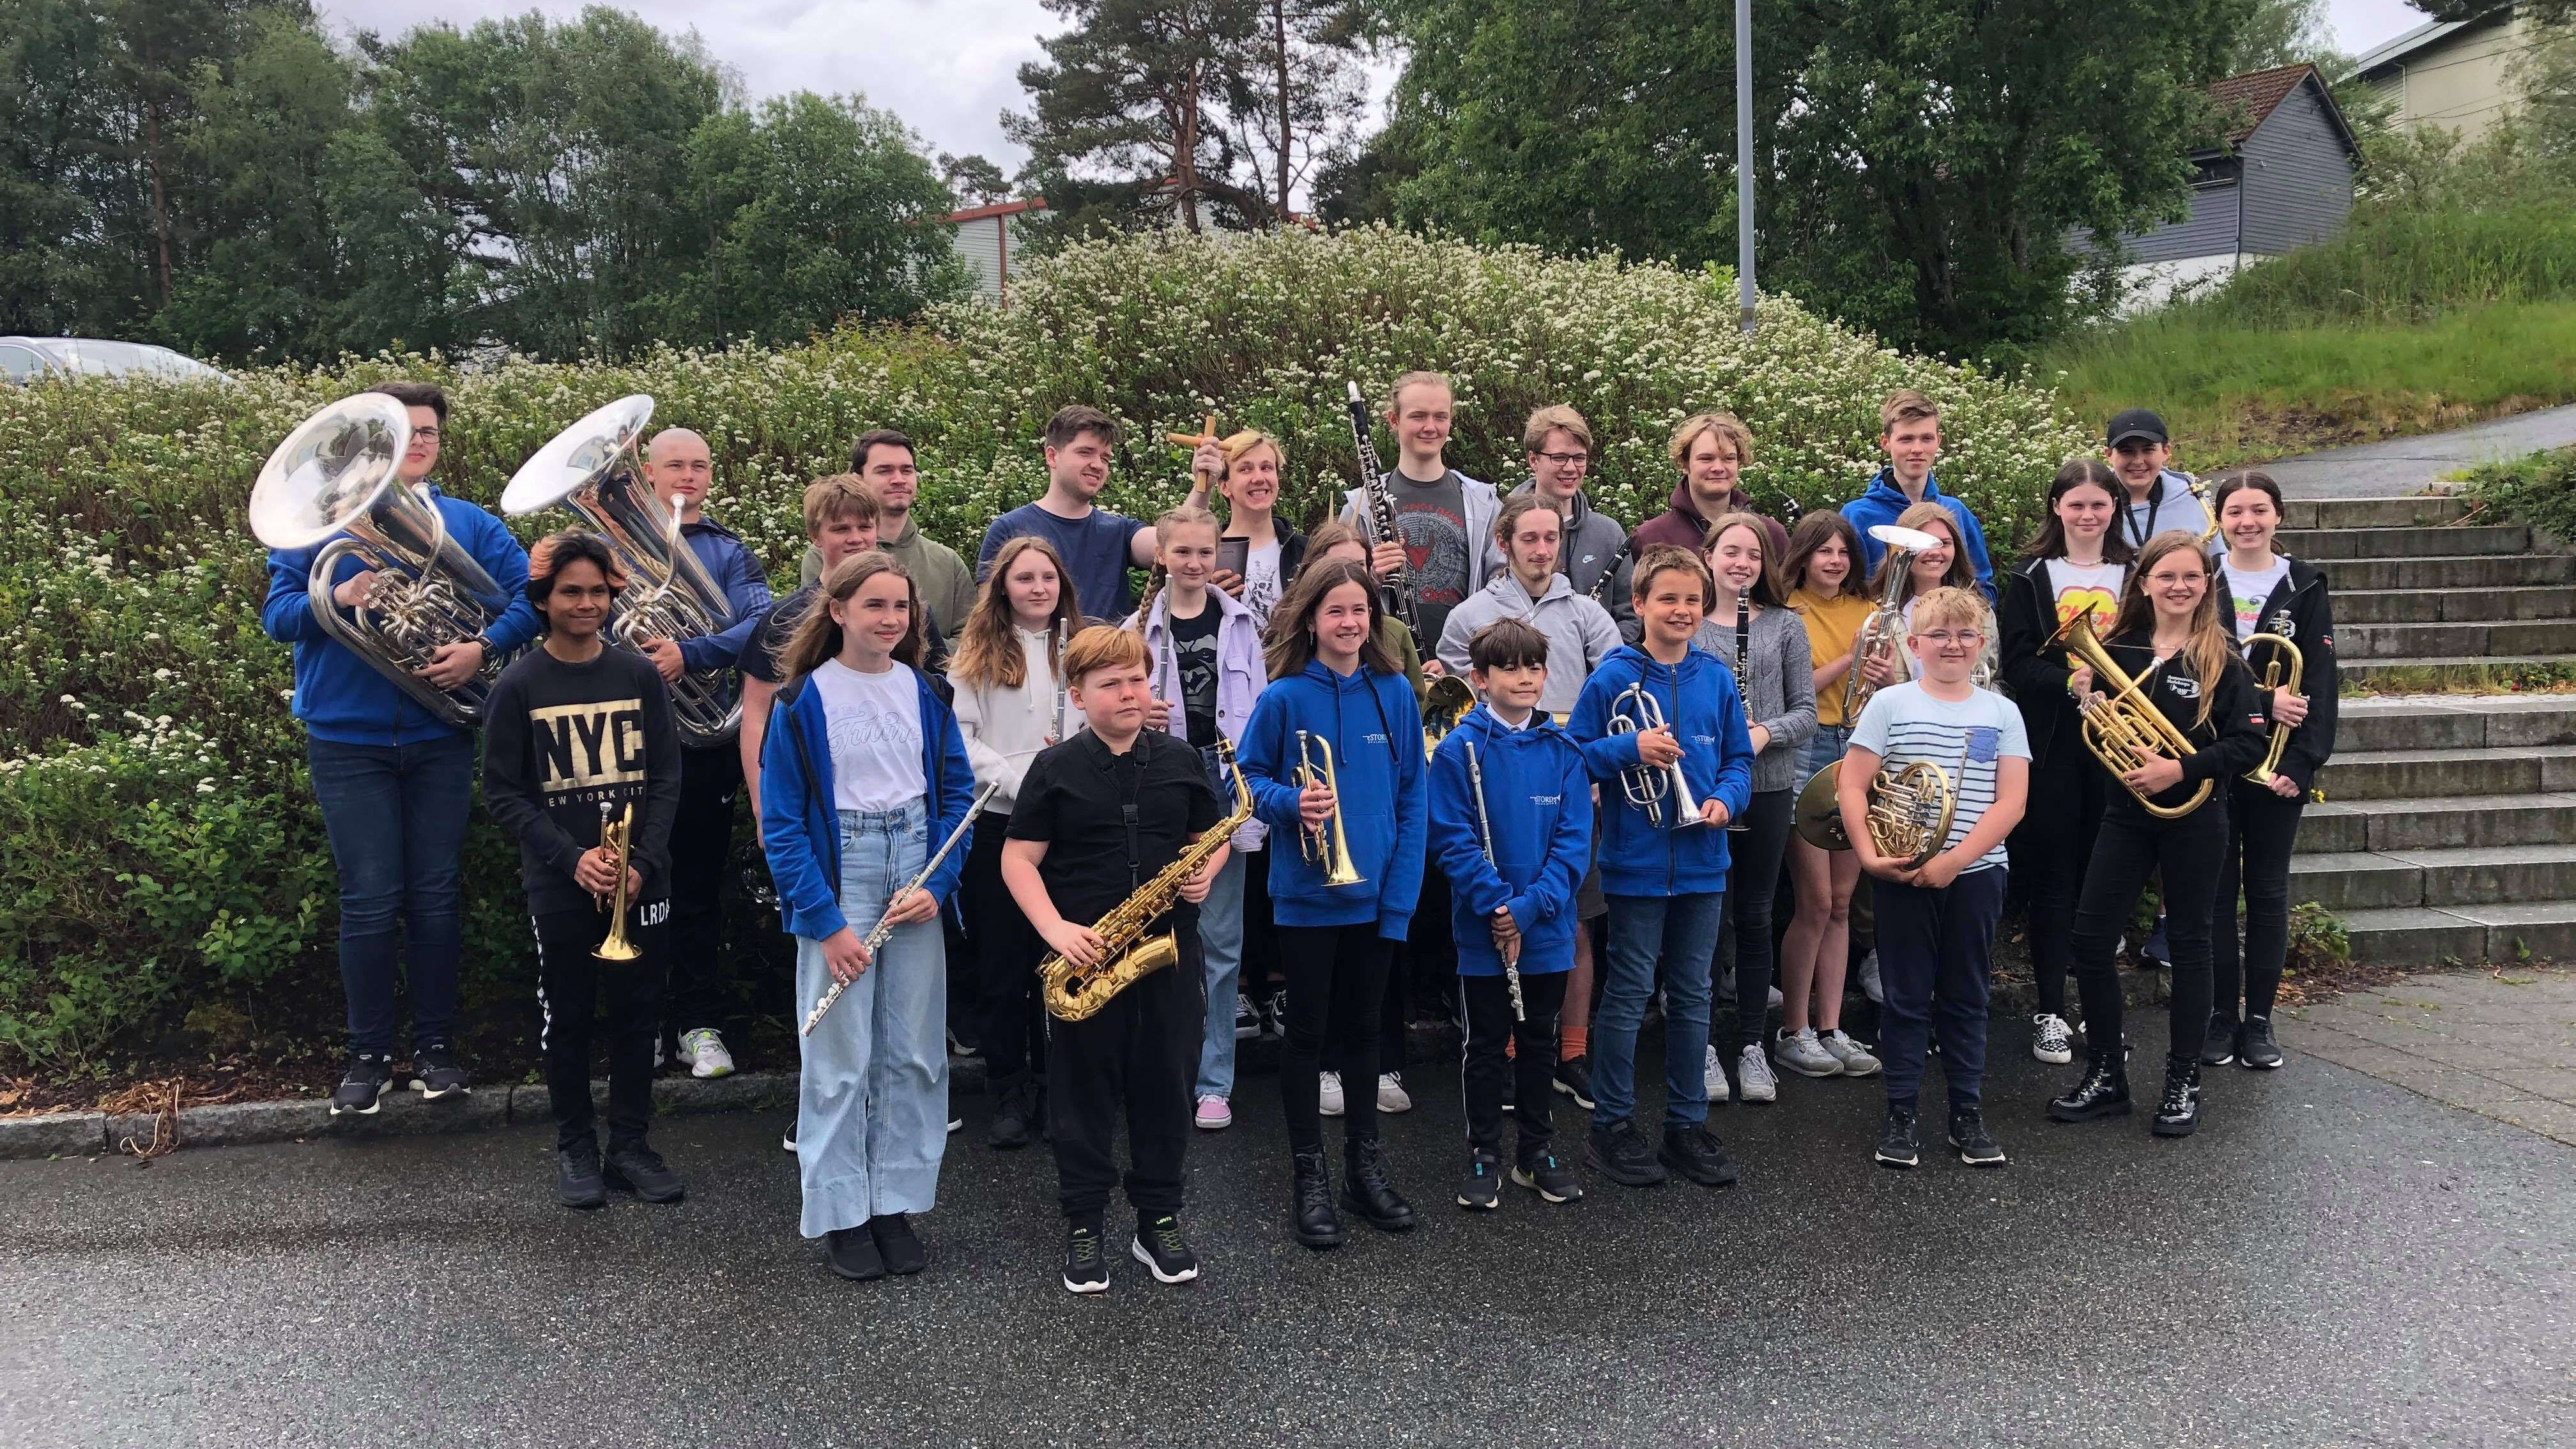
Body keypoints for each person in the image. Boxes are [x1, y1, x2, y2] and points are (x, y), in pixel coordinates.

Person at [259, 380, 540, 1115]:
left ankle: (437, 1051)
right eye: (405, 432)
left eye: (429, 433)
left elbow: (529, 599)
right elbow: (278, 616)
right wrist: (336, 599)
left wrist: (482, 648)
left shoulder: (468, 523)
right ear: (375, 445)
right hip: (346, 740)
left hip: (439, 733)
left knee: (436, 897)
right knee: (369, 899)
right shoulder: (320, 527)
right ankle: (368, 1056)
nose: (419, 442)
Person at [759, 551, 977, 1280]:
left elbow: (956, 794)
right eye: (875, 606)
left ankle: (893, 1204)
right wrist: (826, 922)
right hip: (843, 874)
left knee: (913, 1053)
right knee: (839, 1060)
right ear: (838, 611)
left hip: (915, 866)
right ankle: (842, 1214)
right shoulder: (801, 700)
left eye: (901, 607)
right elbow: (783, 825)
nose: (891, 620)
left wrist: (940, 880)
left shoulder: (927, 689)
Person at [1003, 625, 1230, 1293]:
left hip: (1169, 953)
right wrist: (1055, 929)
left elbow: (1211, 837)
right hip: (1087, 957)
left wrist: (1207, 871)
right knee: (1082, 1095)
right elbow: (1018, 859)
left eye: (1137, 679)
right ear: (1078, 696)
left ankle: (1158, 1218)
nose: (1130, 693)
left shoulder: (1180, 758)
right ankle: (1084, 1222)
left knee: (1167, 1087)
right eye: (1111, 684)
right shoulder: (1055, 769)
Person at [479, 532, 686, 1208]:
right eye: (571, 592)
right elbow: (503, 792)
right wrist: (571, 859)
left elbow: (666, 777)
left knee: (638, 1017)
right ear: (543, 600)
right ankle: (576, 1148)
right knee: (567, 1018)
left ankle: (629, 1146)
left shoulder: (637, 677)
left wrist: (643, 862)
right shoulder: (518, 685)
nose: (587, 603)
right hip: (562, 883)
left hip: (640, 881)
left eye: (598, 591)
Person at [2048, 532, 2267, 1138]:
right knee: (2091, 940)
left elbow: (2248, 743)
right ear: (2144, 583)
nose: (2179, 587)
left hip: (2197, 816)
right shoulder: (2118, 650)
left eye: (2191, 577)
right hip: (2127, 813)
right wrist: (2089, 703)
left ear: (2207, 585)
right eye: (2166, 576)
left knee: (2192, 945)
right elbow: (2102, 735)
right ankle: (2107, 1075)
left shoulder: (2223, 658)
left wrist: (2182, 767)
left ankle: (2182, 1080)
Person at [1238, 559, 1429, 1248]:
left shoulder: (1395, 692)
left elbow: (1413, 799)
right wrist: (1292, 803)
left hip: (1377, 897)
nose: (1349, 623)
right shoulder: (1284, 697)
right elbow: (1247, 780)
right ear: (1312, 620)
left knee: (1365, 1033)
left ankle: (1362, 1171)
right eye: (1336, 611)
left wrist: (1400, 898)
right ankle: (1309, 1177)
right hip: (1309, 896)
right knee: (1307, 1035)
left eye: (1360, 611)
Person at [1568, 545, 1754, 1191]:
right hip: (1635, 862)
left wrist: (1726, 800)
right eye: (1668, 598)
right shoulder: (1612, 677)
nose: (1681, 610)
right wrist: (1631, 746)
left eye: (1692, 600)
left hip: (1703, 861)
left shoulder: (1716, 678)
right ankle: (1611, 1125)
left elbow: (1739, 760)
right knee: (1627, 994)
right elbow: (1574, 756)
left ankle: (1685, 1124)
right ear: (1639, 604)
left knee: (1694, 994)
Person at [1838, 585, 2030, 1169]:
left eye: (1965, 634)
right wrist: (1869, 857)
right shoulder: (1889, 704)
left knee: (1967, 994)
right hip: (1899, 870)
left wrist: (1953, 860)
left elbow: (2011, 802)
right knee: (1905, 997)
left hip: (1976, 874)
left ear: (1981, 643)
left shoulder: (2001, 711)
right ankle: (1901, 1112)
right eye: (1939, 635)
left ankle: (1966, 1111)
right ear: (1915, 645)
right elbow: (1853, 786)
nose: (1953, 644)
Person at [1430, 618, 1593, 1209]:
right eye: (1509, 668)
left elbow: (1573, 848)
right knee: (1484, 1045)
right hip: (1485, 932)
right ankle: (1484, 1152)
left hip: (1543, 928)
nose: (1524, 678)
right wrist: (1496, 905)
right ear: (1480, 678)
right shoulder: (1458, 750)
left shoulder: (1564, 751)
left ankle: (1535, 1152)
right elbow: (1451, 839)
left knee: (1539, 1043)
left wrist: (1525, 910)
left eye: (1534, 667)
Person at [631, 426, 775, 1081]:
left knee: (694, 889)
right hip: (629, 743)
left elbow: (762, 626)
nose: (687, 477)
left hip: (701, 742)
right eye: (675, 466)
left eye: (699, 466)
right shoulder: (611, 546)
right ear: (647, 472)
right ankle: (638, 1025)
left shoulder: (728, 550)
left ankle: (697, 1024)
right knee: (625, 886)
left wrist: (689, 653)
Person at [1131, 505, 1270, 1133]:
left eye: (1204, 552)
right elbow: (1107, 713)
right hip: (1161, 781)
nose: (1193, 562)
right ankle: (1161, 1070)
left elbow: (1258, 711)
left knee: (1219, 939)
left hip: (1222, 781)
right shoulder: (1135, 627)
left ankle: (1214, 1081)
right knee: (1153, 930)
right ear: (1161, 555)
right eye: (1182, 552)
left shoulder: (1241, 622)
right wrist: (1141, 715)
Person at [947, 535, 1087, 1150]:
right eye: (1025, 578)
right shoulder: (976, 653)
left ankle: (1061, 1088)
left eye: (1048, 578)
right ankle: (1008, 1089)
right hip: (1000, 824)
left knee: (1064, 960)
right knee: (1003, 966)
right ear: (1003, 587)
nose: (1038, 588)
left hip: (1070, 828)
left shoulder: (1081, 648)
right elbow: (961, 737)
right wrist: (1016, 780)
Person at [1997, 460, 2135, 1066]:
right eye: (2076, 504)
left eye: (2099, 504)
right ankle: (2050, 1011)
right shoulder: (2031, 577)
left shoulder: (2138, 572)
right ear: (2056, 507)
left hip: (2124, 743)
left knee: (2106, 882)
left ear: (2114, 508)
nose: (2087, 515)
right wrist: (2067, 682)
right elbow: (2018, 663)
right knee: (2054, 881)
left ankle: (2100, 1016)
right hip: (2055, 746)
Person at [2206, 470, 2335, 1072]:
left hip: (2278, 766)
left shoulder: (2304, 584)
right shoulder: (2202, 578)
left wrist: (2303, 764)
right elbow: (2195, 669)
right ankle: (2219, 1017)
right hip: (2216, 760)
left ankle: (2258, 1021)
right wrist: (2262, 699)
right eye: (2235, 511)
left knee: (2266, 893)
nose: (2247, 522)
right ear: (2220, 519)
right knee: (2214, 895)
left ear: (2278, 515)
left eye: (2259, 510)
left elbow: (2322, 684)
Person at [1692, 512, 1816, 1100]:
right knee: (1707, 918)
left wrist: (1762, 733)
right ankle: (1702, 1047)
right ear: (1709, 556)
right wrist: (1717, 740)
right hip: (1708, 789)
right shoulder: (1689, 624)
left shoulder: (1786, 626)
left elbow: (1806, 713)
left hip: (1767, 787)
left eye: (1754, 554)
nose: (1742, 563)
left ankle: (1751, 1046)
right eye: (1731, 551)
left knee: (1756, 915)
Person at [1775, 512, 1882, 1080]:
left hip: (1860, 743)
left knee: (1842, 903)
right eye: (1824, 552)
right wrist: (1853, 658)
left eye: (1843, 552)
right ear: (1804, 557)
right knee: (1814, 901)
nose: (1835, 561)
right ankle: (1793, 1030)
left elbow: (1894, 686)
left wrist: (1887, 676)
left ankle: (1830, 1027)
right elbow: (1789, 694)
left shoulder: (1870, 610)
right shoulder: (1786, 611)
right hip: (1807, 744)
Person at [740, 477, 885, 831]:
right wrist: (762, 806)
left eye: (865, 527)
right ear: (815, 537)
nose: (856, 538)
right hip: (808, 798)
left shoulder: (905, 612)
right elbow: (757, 714)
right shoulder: (783, 619)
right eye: (841, 529)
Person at [1341, 371, 1504, 650]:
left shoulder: (1484, 503)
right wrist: (1373, 578)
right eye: (1418, 416)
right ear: (1394, 420)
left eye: (1440, 417)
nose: (1430, 427)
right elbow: (1334, 587)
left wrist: (1463, 654)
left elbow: (1501, 586)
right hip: (1382, 659)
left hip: (1461, 659)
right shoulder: (1360, 506)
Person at [1435, 494, 1621, 719]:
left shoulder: (1589, 614)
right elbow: (1461, 704)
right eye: (1529, 539)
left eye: (1550, 538)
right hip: (1497, 740)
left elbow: (1616, 681)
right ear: (1503, 543)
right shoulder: (1466, 616)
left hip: (1571, 739)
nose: (1542, 551)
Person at [977, 405, 1158, 621]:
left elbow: (1176, 544)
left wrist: (1196, 484)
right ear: (1052, 456)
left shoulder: (1119, 531)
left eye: (1105, 458)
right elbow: (987, 619)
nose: (1098, 465)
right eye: (1085, 452)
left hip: (1107, 645)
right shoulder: (1008, 529)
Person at [799, 431, 976, 642]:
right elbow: (815, 633)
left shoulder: (948, 562)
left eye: (907, 470)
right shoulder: (824, 555)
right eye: (885, 471)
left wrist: (917, 654)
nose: (898, 480)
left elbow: (972, 639)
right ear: (858, 479)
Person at [1840, 389, 1997, 601]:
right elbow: (1846, 593)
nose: (1917, 449)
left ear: (1939, 440)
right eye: (1906, 439)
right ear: (1886, 442)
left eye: (1926, 438)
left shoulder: (1957, 512)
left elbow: (1983, 587)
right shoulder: (1857, 515)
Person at [1509, 403, 1639, 641]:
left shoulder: (1609, 533)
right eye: (1559, 458)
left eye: (1579, 458)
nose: (1570, 468)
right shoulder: (1503, 528)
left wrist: (1605, 654)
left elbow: (1630, 613)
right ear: (1533, 460)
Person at [1848, 501, 1981, 707]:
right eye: (1924, 543)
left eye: (1944, 543)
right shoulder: (1876, 612)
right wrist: (1889, 685)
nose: (1935, 552)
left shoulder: (1979, 611)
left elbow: (1993, 679)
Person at [1630, 412, 1790, 564]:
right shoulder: (1649, 538)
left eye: (1729, 458)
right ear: (1684, 464)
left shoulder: (1772, 535)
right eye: (1706, 459)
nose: (1718, 468)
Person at [1204, 428, 1308, 627]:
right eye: (1246, 469)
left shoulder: (1306, 551)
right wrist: (1205, 599)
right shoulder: (1207, 555)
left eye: (1266, 468)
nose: (1259, 478)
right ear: (1224, 486)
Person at [2103, 409, 2214, 555]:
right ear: (2108, 455)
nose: (2138, 461)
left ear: (2166, 451)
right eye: (2126, 451)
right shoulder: (2090, 502)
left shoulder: (2192, 498)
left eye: (2148, 450)